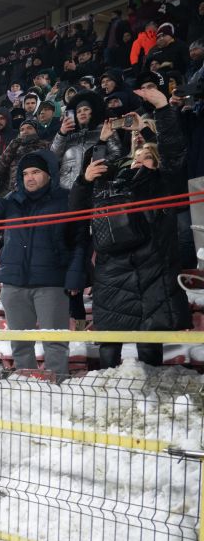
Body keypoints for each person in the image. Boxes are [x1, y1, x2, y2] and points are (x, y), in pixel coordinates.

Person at [70, 82, 190, 368]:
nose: (139, 159)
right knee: (109, 348)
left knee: (149, 349)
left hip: (149, 270)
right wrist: (88, 170)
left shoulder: (161, 184)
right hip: (111, 273)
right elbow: (77, 209)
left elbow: (174, 155)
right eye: (136, 156)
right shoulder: (112, 183)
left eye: (147, 156)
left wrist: (160, 110)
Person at [0, 150, 87, 376]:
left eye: (35, 172)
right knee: (20, 344)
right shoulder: (12, 200)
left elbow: (78, 240)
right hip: (14, 284)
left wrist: (74, 277)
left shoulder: (66, 199)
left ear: (49, 174)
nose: (29, 178)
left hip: (51, 283)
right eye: (25, 173)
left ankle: (58, 387)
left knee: (55, 343)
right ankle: (27, 387)